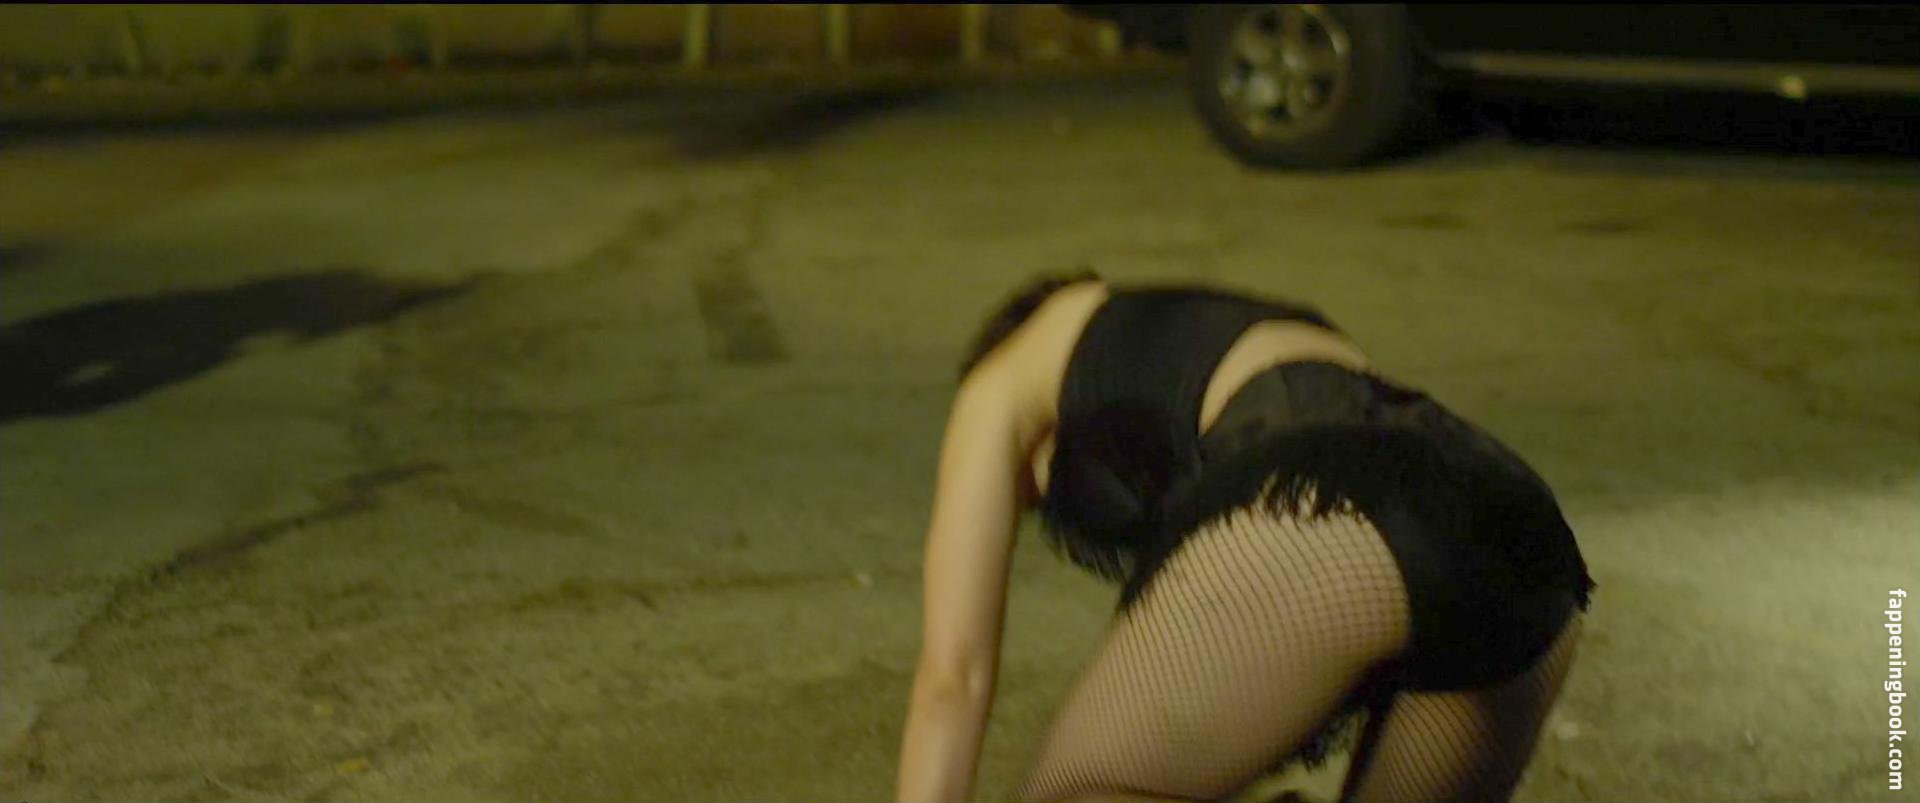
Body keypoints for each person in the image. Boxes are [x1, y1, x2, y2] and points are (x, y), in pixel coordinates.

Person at [894, 273, 1594, 803]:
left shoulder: (1001, 376)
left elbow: (954, 674)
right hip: (1521, 538)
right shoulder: (1228, 332)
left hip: (1341, 505)